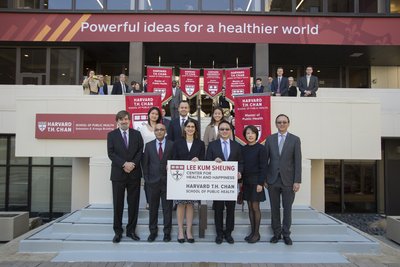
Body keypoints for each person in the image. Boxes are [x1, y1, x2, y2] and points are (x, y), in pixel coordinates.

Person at [264, 114, 302, 246]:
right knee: (274, 208)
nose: (282, 124)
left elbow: (298, 161)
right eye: (279, 122)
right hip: (272, 180)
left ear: (288, 123)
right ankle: (276, 233)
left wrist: (297, 180)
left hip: (289, 181)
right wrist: (265, 179)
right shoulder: (269, 139)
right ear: (276, 124)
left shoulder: (295, 140)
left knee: (287, 209)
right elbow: (265, 161)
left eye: (284, 122)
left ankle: (286, 234)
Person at [107, 110, 144, 243]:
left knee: (133, 204)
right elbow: (111, 154)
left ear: (129, 121)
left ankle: (131, 231)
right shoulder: (111, 135)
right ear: (117, 121)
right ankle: (117, 232)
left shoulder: (137, 134)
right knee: (118, 205)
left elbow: (140, 151)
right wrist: (124, 164)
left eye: (126, 119)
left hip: (134, 174)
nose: (124, 121)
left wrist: (132, 164)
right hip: (118, 175)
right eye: (121, 119)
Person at [206, 120, 243, 244]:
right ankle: (219, 233)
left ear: (230, 131)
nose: (224, 131)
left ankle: (228, 233)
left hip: (231, 184)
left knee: (231, 209)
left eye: (227, 129)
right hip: (217, 184)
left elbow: (241, 162)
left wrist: (240, 172)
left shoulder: (237, 146)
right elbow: (207, 161)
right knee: (218, 209)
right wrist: (213, 162)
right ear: (219, 131)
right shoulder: (212, 145)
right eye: (222, 129)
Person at [172, 119, 205, 243]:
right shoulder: (177, 143)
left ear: (195, 129)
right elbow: (174, 159)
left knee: (190, 204)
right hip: (180, 178)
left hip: (193, 178)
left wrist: (199, 160)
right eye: (188, 126)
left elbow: (204, 160)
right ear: (184, 129)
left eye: (193, 126)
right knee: (181, 204)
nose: (190, 128)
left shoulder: (200, 144)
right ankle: (181, 230)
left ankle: (189, 231)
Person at [142, 123, 174, 242]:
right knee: (153, 209)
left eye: (161, 129)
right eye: (157, 130)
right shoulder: (149, 145)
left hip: (167, 182)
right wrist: (147, 179)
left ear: (165, 131)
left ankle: (167, 233)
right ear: (154, 132)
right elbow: (145, 165)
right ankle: (153, 232)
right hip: (152, 182)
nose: (159, 131)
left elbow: (175, 161)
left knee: (167, 209)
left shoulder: (171, 145)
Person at [241, 125, 267, 243]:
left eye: (252, 133)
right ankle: (252, 232)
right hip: (247, 182)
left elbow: (264, 167)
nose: (250, 135)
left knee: (256, 208)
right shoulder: (243, 149)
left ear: (256, 134)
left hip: (257, 181)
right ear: (245, 135)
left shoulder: (261, 149)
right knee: (250, 208)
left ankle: (257, 234)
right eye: (248, 133)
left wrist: (260, 183)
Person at [139, 107, 162, 210]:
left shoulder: (161, 127)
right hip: (145, 156)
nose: (154, 116)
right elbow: (139, 143)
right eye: (152, 113)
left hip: (159, 156)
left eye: (156, 114)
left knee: (159, 179)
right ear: (149, 115)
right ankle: (149, 201)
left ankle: (159, 200)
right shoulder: (142, 127)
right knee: (147, 179)